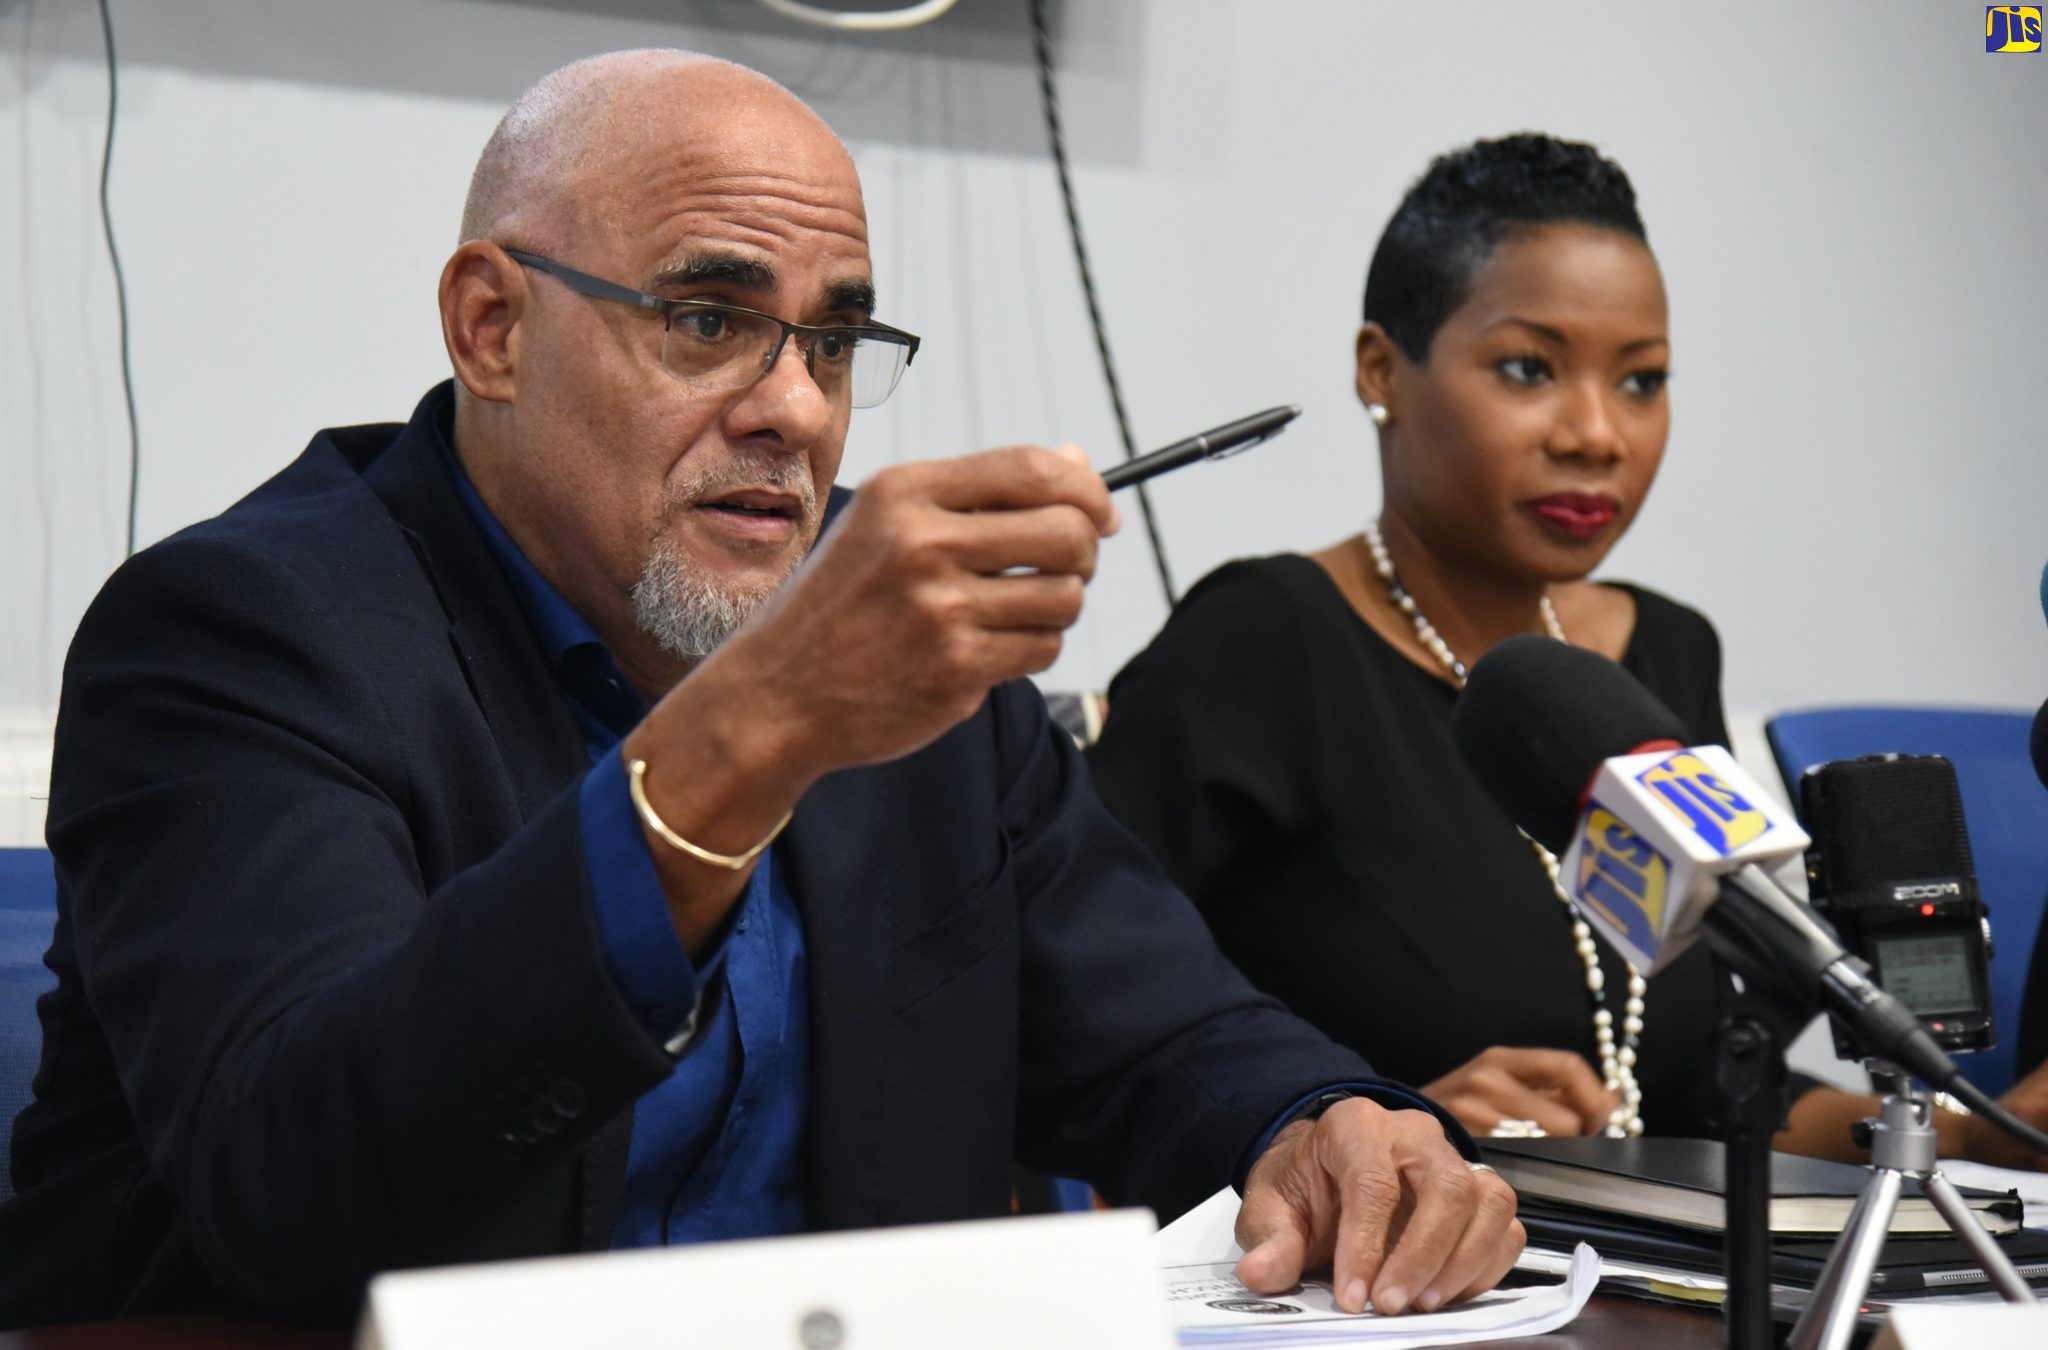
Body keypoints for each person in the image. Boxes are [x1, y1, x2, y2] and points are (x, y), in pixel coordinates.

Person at [0, 52, 1521, 1329]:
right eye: (710, 320)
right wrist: (759, 731)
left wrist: (1325, 1125)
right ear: (492, 325)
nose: (796, 410)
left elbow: (1168, 1032)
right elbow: (305, 1185)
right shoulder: (236, 635)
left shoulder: (904, 655)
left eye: (839, 338)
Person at [1085, 132, 2048, 1167]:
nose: (1596, 433)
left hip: (1642, 1287)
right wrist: (1347, 1128)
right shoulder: (1261, 640)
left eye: (1640, 382)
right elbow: (1076, 1043)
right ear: (1382, 373)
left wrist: (1983, 1137)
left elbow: (1709, 1099)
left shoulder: (1659, 652)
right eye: (1526, 369)